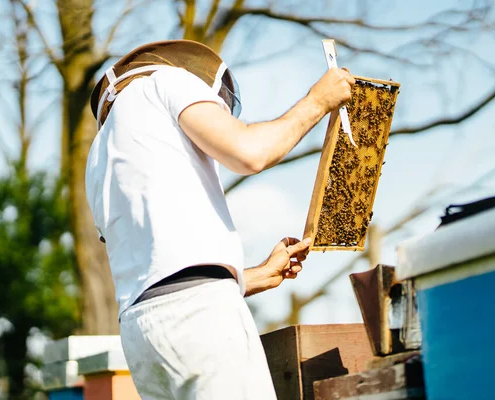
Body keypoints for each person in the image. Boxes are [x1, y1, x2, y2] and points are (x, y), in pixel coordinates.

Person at [85, 39, 354, 400]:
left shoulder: (100, 152)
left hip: (141, 332)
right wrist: (317, 101)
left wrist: (254, 275)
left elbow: (159, 268)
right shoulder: (166, 82)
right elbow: (250, 152)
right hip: (198, 318)